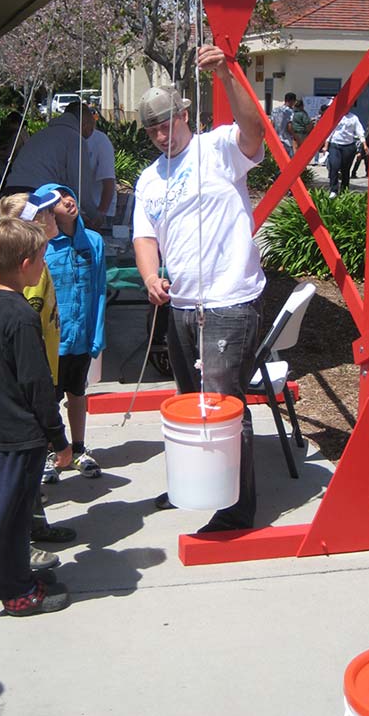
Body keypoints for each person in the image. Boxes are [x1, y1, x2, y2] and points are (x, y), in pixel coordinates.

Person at [133, 43, 266, 533]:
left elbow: (256, 131)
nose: (162, 134)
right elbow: (144, 235)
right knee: (192, 402)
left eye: (169, 122)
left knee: (224, 405)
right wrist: (150, 276)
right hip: (181, 307)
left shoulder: (218, 148)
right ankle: (194, 482)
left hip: (229, 303)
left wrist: (231, 73)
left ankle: (236, 507)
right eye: (153, 128)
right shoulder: (149, 178)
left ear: (186, 114)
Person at [0, 217, 72, 617]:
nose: (44, 266)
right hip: (20, 430)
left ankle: (15, 575)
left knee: (11, 508)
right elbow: (37, 383)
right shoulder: (19, 314)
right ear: (27, 262)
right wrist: (58, 436)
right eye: (43, 259)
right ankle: (13, 590)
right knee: (12, 515)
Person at [36, 183, 106, 484]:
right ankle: (50, 451)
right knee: (47, 399)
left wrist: (98, 331)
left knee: (77, 393)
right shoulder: (41, 246)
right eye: (58, 199)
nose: (68, 201)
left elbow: (100, 288)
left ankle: (78, 447)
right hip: (50, 341)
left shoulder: (93, 241)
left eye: (69, 195)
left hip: (81, 335)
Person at [5, 101, 99, 223]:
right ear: (85, 124)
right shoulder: (75, 139)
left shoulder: (43, 133)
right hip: (38, 195)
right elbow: (81, 186)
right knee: (41, 238)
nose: (91, 133)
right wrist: (95, 216)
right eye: (92, 128)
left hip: (12, 191)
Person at [81, 109, 117, 228]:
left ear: (85, 125)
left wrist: (101, 213)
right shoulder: (72, 139)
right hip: (80, 208)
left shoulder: (101, 142)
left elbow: (108, 182)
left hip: (99, 205)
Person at [322, 108, 367, 198]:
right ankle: (333, 190)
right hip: (335, 145)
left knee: (345, 170)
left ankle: (344, 189)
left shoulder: (353, 118)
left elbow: (359, 131)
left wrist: (364, 145)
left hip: (348, 146)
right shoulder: (336, 116)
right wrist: (326, 146)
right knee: (334, 166)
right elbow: (330, 131)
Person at [270, 92, 296, 157]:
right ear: (292, 101)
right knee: (289, 161)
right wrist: (295, 135)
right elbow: (289, 126)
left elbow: (272, 124)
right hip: (286, 140)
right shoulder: (290, 111)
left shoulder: (275, 110)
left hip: (276, 140)